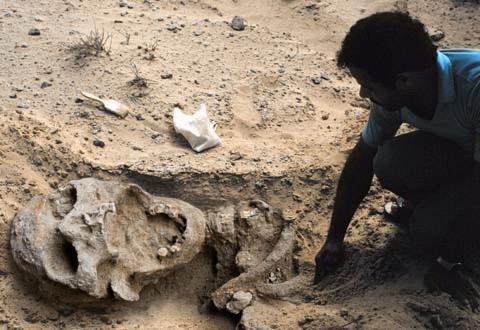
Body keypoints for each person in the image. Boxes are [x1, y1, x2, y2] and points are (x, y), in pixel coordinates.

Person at [313, 11, 480, 310]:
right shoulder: (403, 91)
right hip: (469, 157)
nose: (363, 93)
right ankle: (435, 215)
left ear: (404, 80)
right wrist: (334, 239)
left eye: (369, 86)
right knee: (387, 160)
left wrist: (447, 261)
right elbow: (362, 159)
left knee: (427, 234)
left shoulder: (474, 87)